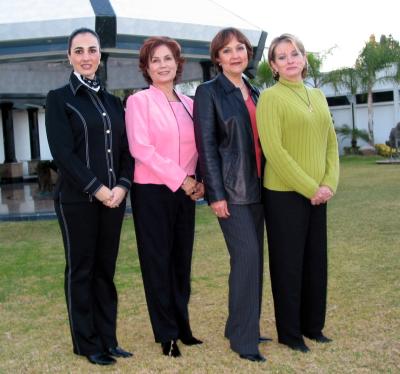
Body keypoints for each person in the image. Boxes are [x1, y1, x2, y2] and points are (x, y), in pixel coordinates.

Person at [45, 28, 134, 366]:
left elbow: (127, 151)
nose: (86, 56)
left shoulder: (113, 102)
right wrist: (97, 188)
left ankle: (108, 339)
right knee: (81, 270)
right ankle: (87, 343)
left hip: (115, 200)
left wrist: (122, 187)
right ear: (69, 56)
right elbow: (63, 155)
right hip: (78, 201)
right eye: (79, 50)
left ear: (100, 55)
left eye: (92, 50)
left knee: (104, 272)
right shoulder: (58, 98)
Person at [256, 33, 340, 353]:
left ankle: (313, 327)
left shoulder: (317, 95)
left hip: (319, 193)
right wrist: (310, 188)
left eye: (295, 53)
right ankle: (290, 334)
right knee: (289, 265)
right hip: (284, 194)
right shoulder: (271, 98)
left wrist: (329, 183)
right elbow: (274, 150)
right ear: (273, 65)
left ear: (304, 58)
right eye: (282, 56)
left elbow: (330, 143)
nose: (290, 60)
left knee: (315, 261)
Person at [125, 36, 204, 358]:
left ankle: (183, 327)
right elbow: (141, 149)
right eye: (155, 60)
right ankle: (166, 334)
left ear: (177, 63)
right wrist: (181, 179)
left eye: (167, 58)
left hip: (186, 193)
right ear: (146, 67)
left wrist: (199, 182)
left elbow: (201, 147)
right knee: (158, 264)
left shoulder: (191, 104)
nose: (162, 65)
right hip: (152, 192)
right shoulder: (138, 101)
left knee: (181, 263)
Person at [193, 27, 267, 363]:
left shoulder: (255, 91)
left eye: (241, 48)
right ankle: (243, 339)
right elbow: (207, 145)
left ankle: (240, 323)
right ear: (217, 58)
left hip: (260, 189)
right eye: (227, 50)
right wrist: (216, 194)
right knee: (247, 258)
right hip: (232, 191)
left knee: (252, 261)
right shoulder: (208, 92)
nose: (235, 54)